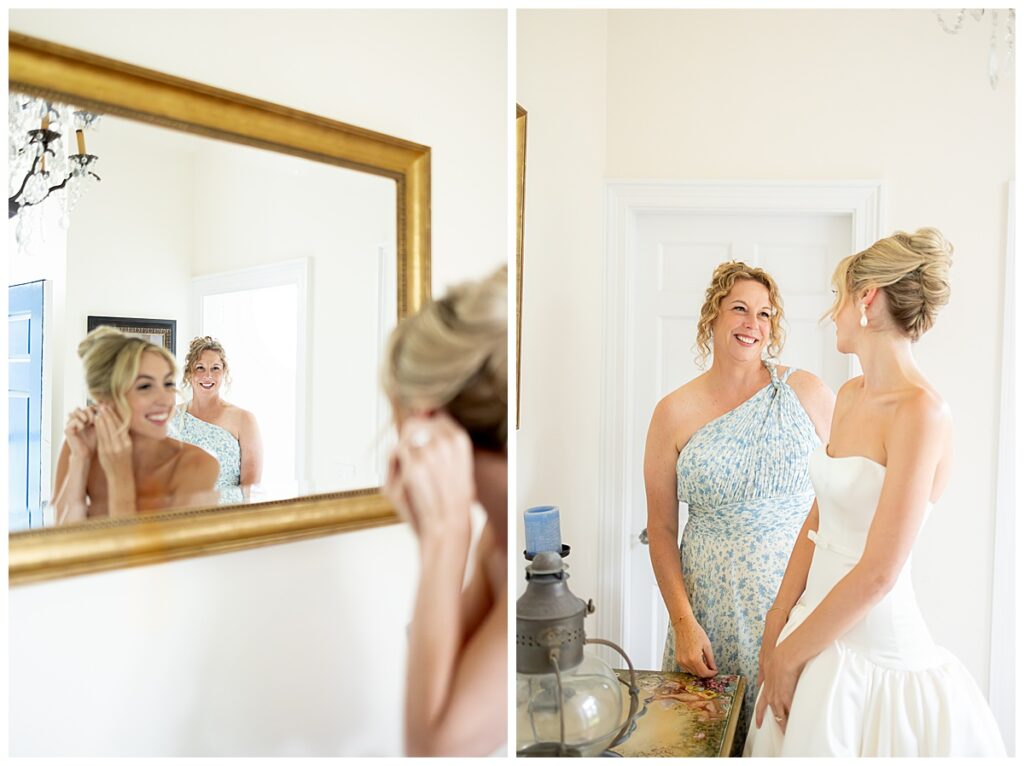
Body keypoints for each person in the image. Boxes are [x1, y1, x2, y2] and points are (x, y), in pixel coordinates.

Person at [746, 228, 1006, 756]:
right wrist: (777, 621)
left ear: (867, 299)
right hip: (807, 628)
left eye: (838, 296)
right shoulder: (848, 395)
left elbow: (880, 572)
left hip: (870, 653)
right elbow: (818, 516)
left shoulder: (922, 412)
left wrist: (790, 655)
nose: (832, 313)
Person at [643, 262, 834, 751]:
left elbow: (847, 498)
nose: (753, 324)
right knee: (707, 744)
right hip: (709, 612)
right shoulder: (672, 413)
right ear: (713, 315)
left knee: (788, 741)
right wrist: (684, 624)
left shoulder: (807, 392)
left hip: (793, 609)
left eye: (765, 314)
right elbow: (661, 529)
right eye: (740, 309)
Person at [381, 266, 507, 756]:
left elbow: (432, 750)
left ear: (423, 417)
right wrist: (437, 536)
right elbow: (448, 676)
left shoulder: (514, 544)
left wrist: (444, 539)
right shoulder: (495, 537)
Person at [52, 327, 219, 523]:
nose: (165, 400)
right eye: (145, 386)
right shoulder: (78, 448)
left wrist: (120, 477)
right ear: (105, 398)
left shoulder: (197, 465)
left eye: (168, 384)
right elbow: (64, 536)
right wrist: (80, 460)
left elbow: (138, 544)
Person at [170, 336, 263, 492]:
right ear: (189, 373)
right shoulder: (172, 417)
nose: (208, 375)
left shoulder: (244, 419)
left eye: (215, 368)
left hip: (227, 508)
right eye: (200, 367)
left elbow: (250, 489)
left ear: (224, 372)